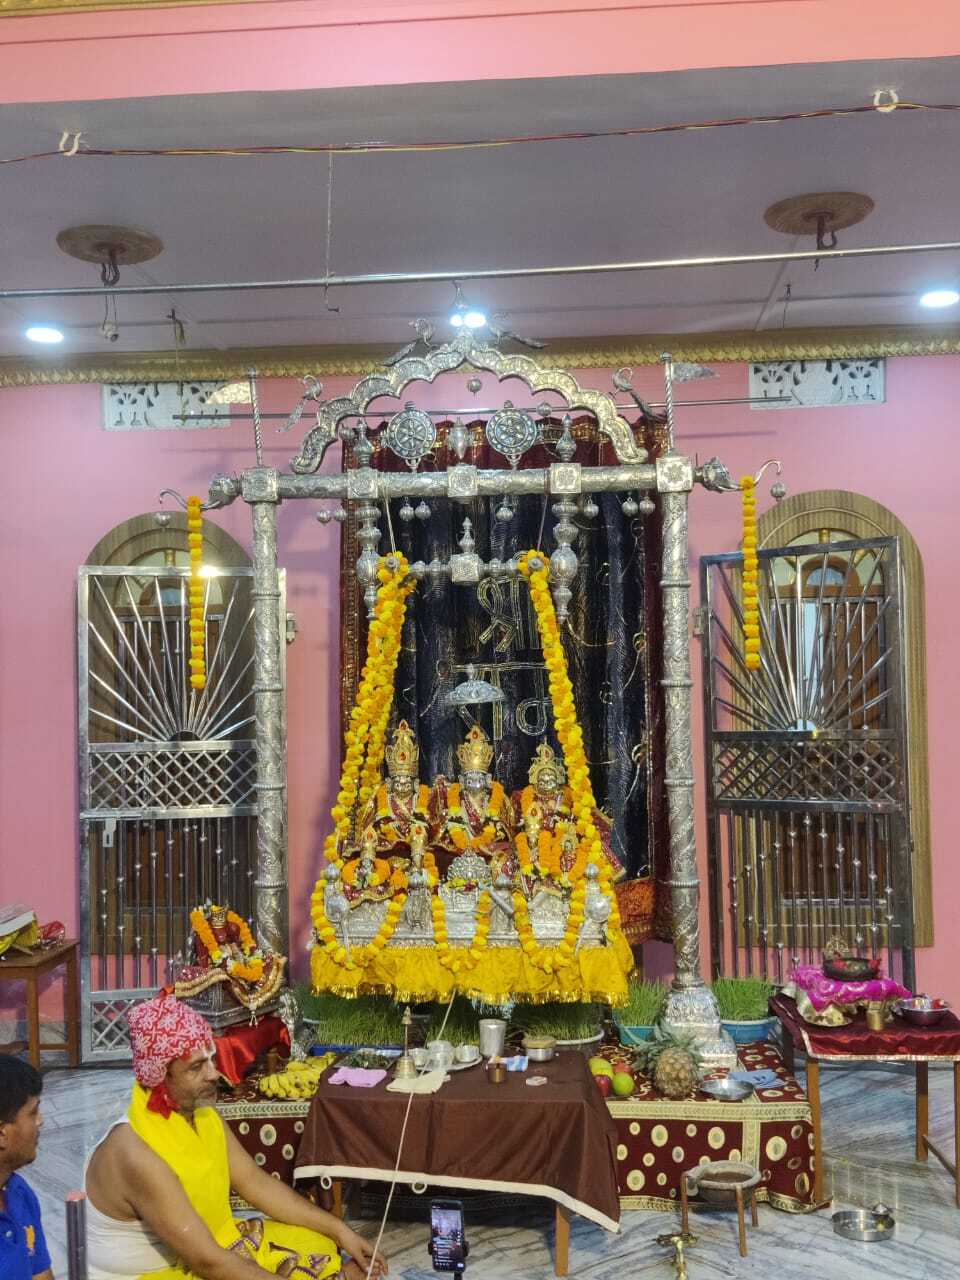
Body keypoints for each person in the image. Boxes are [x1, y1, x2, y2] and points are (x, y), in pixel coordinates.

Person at [85, 991, 387, 1280]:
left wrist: (340, 1231)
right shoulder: (134, 1152)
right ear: (159, 1076)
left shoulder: (201, 1114)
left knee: (317, 1241)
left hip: (206, 1250)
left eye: (211, 1059)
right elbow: (208, 1262)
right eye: (196, 1067)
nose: (213, 1074)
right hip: (153, 1273)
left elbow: (255, 1183)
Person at [0, 1055, 53, 1280]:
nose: (40, 1121)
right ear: (2, 1133)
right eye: (32, 1113)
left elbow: (41, 1275)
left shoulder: (18, 1192)